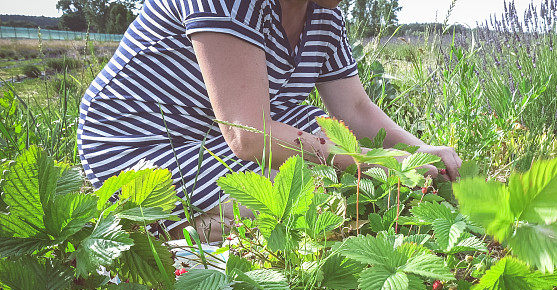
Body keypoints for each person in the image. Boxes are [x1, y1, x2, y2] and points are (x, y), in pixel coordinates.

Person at [78, 0, 462, 242]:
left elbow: (355, 107)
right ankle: (165, 233)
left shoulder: (322, 12)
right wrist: (373, 163)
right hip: (142, 141)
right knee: (300, 200)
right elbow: (249, 135)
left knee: (331, 156)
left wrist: (419, 150)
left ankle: (211, 225)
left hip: (219, 129)